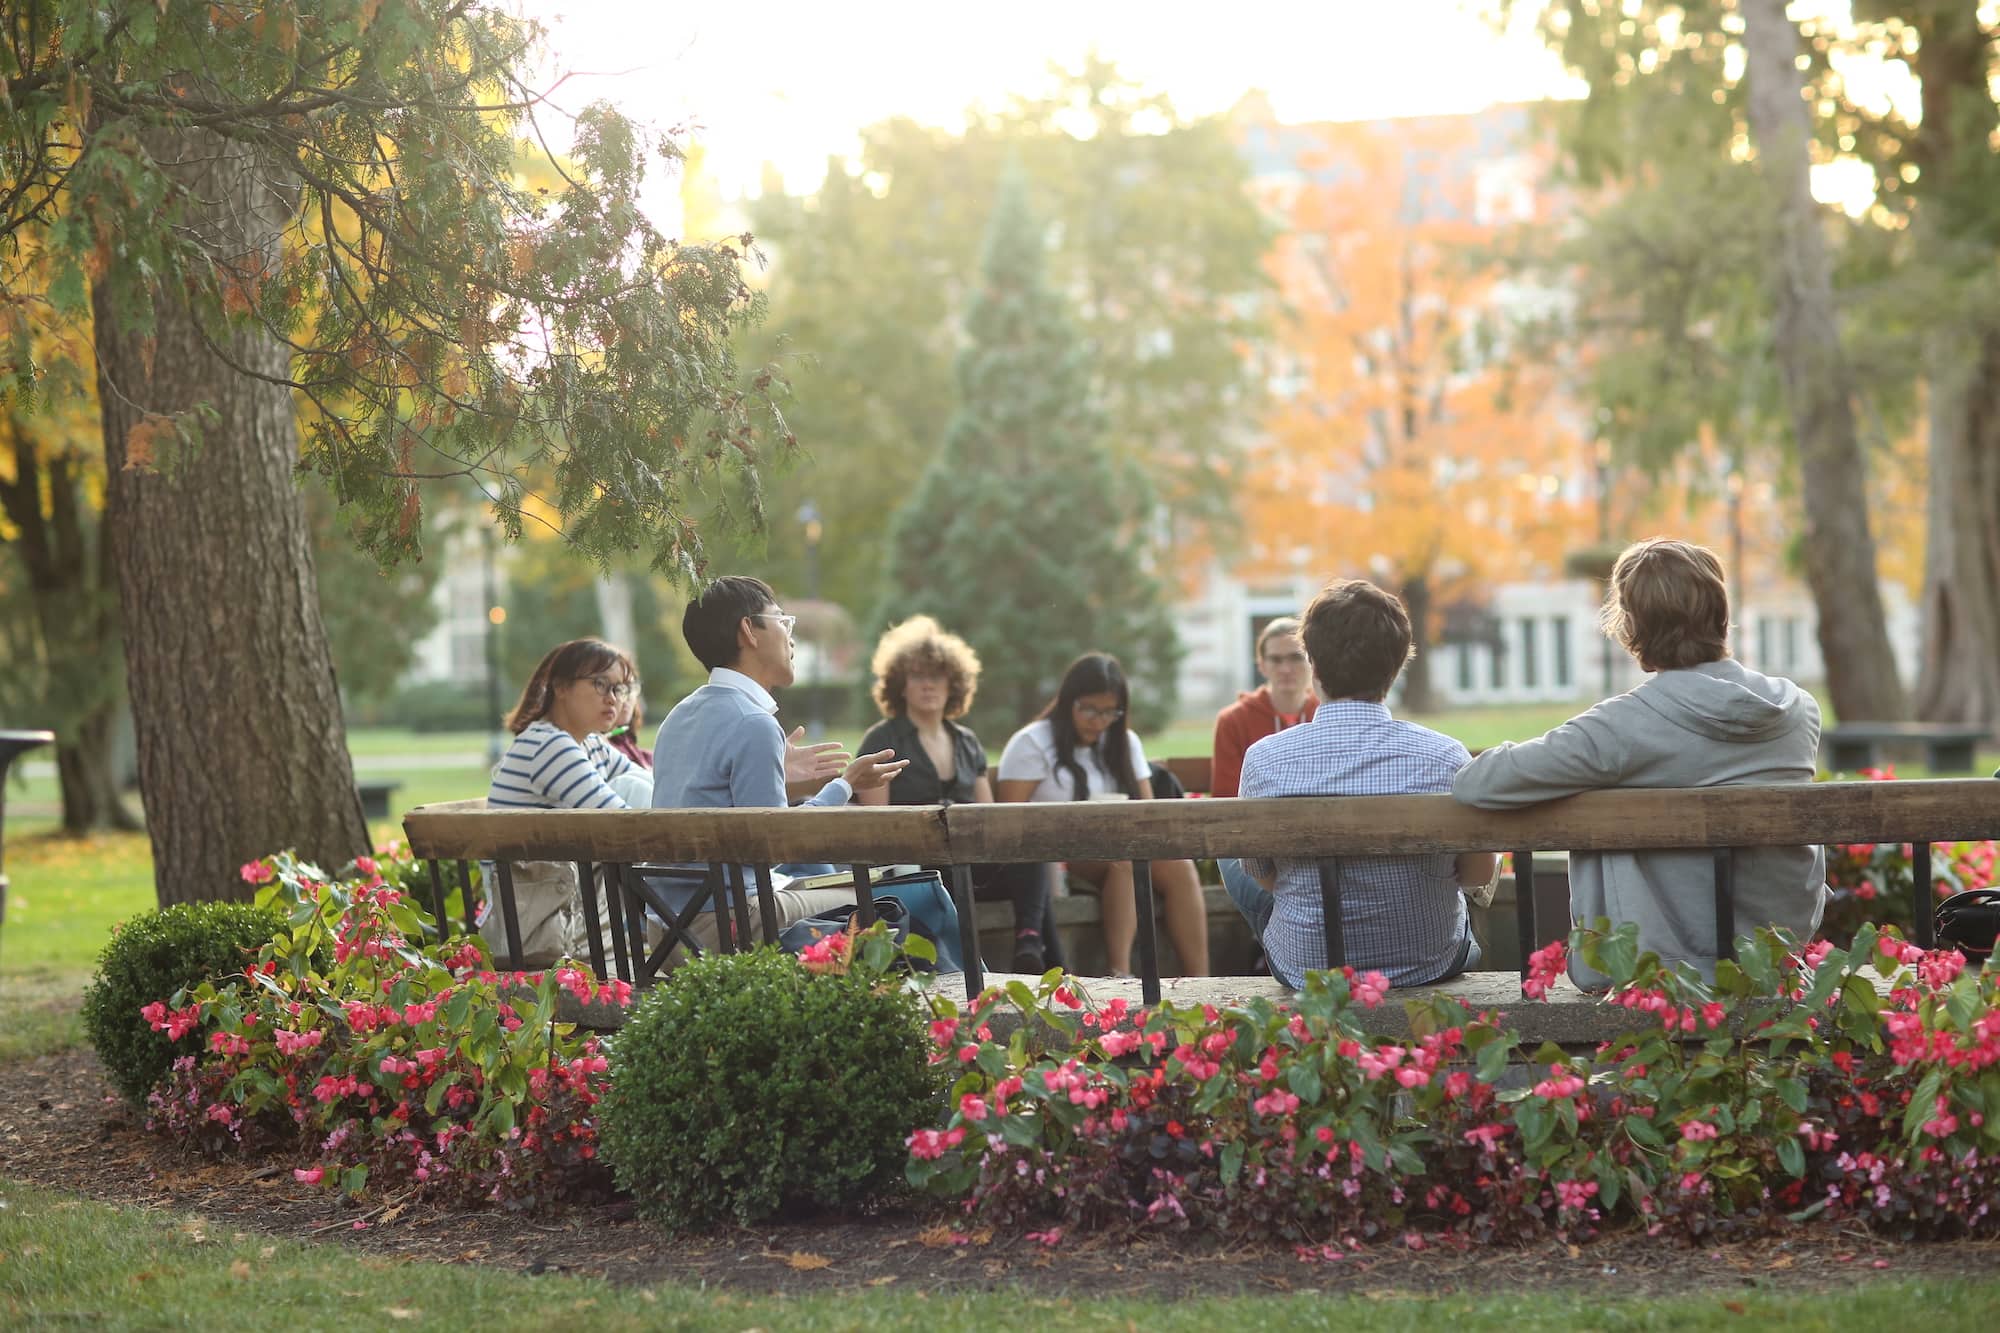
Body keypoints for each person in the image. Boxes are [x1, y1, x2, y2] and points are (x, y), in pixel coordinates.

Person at [1452, 538, 1826, 987]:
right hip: (1773, 960)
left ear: (1633, 628)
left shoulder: (1625, 726)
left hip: (1664, 973)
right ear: (1721, 615)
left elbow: (1479, 784)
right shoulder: (1799, 710)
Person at [1238, 580, 1497, 989]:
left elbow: (1265, 877)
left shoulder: (1264, 760)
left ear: (1314, 668)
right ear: (1396, 667)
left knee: (1232, 856)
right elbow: (1477, 874)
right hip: (1426, 962)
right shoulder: (1445, 757)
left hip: (1308, 970)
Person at [649, 576, 915, 955]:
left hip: (667, 929)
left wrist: (778, 774)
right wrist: (846, 784)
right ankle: (969, 1004)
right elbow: (777, 845)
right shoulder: (752, 722)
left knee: (836, 883)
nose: (791, 639)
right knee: (910, 894)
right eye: (783, 622)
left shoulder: (680, 715)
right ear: (749, 631)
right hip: (728, 925)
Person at [855, 615, 1061, 973]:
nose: (928, 685)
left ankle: (1029, 941)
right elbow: (877, 830)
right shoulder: (882, 739)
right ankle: (1050, 964)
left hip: (973, 862)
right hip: (921, 867)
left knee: (1031, 850)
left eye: (937, 677)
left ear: (953, 685)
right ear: (900, 686)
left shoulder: (966, 741)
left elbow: (990, 817)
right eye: (918, 676)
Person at [996, 653, 1210, 978]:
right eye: (1089, 710)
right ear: (1069, 702)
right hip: (1055, 858)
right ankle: (1120, 975)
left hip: (1116, 848)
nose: (1098, 721)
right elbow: (1007, 822)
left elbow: (1148, 810)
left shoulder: (1123, 742)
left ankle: (1200, 980)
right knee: (1122, 862)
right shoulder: (1032, 743)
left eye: (1109, 712)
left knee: (1177, 864)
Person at [484, 638, 643, 963]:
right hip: (536, 925)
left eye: (620, 688)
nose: (613, 698)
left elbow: (651, 789)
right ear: (561, 687)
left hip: (566, 913)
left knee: (634, 784)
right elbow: (624, 824)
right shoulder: (549, 745)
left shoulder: (590, 745)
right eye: (601, 684)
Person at [1212, 616, 1319, 948]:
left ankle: (1280, 947)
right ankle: (1276, 944)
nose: (1286, 668)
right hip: (1258, 837)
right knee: (1235, 858)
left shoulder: (1325, 712)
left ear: (1311, 662)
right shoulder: (1234, 720)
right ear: (1262, 664)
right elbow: (1226, 798)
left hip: (1318, 833)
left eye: (1295, 657)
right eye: (1276, 659)